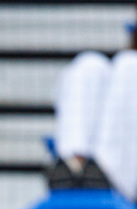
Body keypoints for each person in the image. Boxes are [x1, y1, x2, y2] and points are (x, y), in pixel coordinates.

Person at [50, 22, 137, 198]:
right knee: (89, 65)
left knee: (130, 66)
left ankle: (106, 180)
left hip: (124, 190)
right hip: (91, 175)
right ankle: (73, 166)